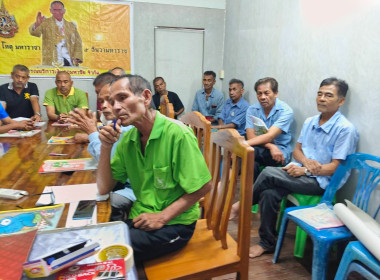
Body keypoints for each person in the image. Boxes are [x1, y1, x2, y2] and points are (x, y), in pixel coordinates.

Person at [97, 74, 211, 262]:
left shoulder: (177, 134)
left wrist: (162, 217)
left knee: (111, 252)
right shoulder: (128, 140)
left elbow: (204, 187)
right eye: (111, 101)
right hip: (141, 217)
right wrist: (105, 147)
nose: (116, 107)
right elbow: (103, 188)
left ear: (146, 97)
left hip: (175, 223)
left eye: (122, 98)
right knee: (102, 238)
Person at [248, 77, 359, 258]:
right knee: (269, 193)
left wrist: (305, 170)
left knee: (268, 172)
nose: (321, 98)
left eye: (328, 95)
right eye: (319, 94)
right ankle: (266, 242)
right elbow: (297, 151)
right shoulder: (310, 122)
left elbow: (335, 168)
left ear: (341, 101)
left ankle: (242, 204)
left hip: (321, 182)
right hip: (298, 173)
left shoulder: (345, 129)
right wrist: (305, 163)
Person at [70, 81, 135, 221]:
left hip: (130, 188)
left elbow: (107, 163)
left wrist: (92, 132)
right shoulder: (116, 125)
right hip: (122, 183)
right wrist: (94, 133)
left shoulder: (127, 128)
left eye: (110, 100)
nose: (104, 106)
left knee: (88, 206)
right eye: (101, 101)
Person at [245, 77, 293, 180]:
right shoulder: (252, 110)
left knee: (247, 152)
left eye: (267, 93)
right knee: (252, 164)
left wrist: (242, 145)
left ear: (276, 93)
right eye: (259, 93)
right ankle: (251, 195)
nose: (262, 97)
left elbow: (270, 136)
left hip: (279, 152)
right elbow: (250, 137)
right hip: (261, 147)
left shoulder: (286, 111)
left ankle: (224, 183)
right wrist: (270, 146)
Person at [29, 1, 83, 66]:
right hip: (51, 61)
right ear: (51, 11)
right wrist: (37, 24)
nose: (57, 12)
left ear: (64, 11)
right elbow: (35, 33)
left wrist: (77, 57)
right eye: (55, 10)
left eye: (59, 10)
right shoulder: (45, 23)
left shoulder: (71, 26)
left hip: (68, 60)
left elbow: (78, 42)